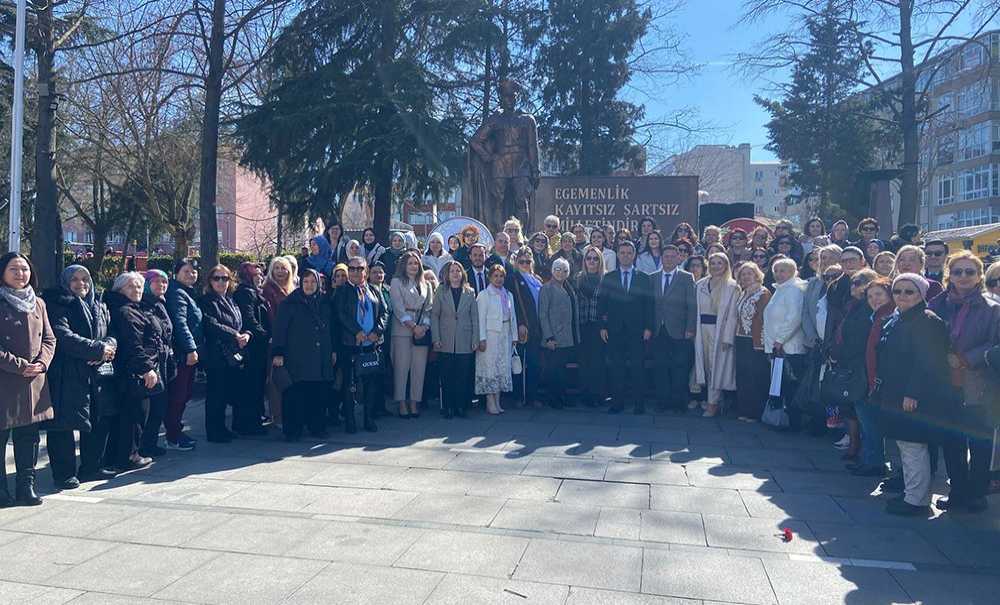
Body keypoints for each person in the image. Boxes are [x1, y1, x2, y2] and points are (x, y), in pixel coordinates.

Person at [874, 273, 953, 515]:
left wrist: (913, 393)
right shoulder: (900, 318)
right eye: (898, 291)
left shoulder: (927, 320)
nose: (902, 296)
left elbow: (927, 362)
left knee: (913, 447)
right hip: (895, 391)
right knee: (906, 446)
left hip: (912, 395)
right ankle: (912, 493)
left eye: (909, 291)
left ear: (921, 294)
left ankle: (916, 501)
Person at [929, 251, 1000, 513]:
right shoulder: (938, 304)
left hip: (979, 384)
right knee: (951, 440)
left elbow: (995, 344)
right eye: (958, 271)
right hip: (945, 382)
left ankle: (976, 493)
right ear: (949, 274)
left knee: (979, 442)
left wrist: (968, 358)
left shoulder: (993, 309)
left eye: (970, 272)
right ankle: (957, 491)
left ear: (980, 275)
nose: (963, 277)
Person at [43, 265, 118, 487]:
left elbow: (111, 333)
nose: (81, 283)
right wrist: (97, 349)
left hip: (97, 373)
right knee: (64, 425)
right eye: (74, 279)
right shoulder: (57, 303)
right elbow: (62, 336)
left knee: (98, 421)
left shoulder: (99, 305)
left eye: (85, 278)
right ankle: (64, 474)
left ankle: (91, 467)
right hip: (67, 374)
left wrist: (108, 346)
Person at [0, 253, 55, 506]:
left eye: (24, 269)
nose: (20, 274)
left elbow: (49, 339)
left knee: (28, 436)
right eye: (14, 269)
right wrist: (20, 366)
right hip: (6, 380)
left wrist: (42, 362)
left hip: (34, 381)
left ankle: (26, 486)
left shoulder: (38, 303)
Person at [271, 269, 336, 440]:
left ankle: (317, 427)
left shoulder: (325, 302)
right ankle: (293, 430)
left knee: (318, 393)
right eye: (306, 281)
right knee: (295, 394)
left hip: (321, 354)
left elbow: (332, 328)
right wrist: (278, 353)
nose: (309, 285)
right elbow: (279, 330)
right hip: (297, 356)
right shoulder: (290, 303)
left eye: (313, 282)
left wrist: (333, 350)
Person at [104, 273, 155, 473]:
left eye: (140, 287)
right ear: (120, 290)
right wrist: (146, 368)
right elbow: (133, 343)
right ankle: (128, 456)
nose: (137, 291)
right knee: (133, 415)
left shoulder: (132, 308)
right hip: (131, 372)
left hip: (130, 370)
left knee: (131, 415)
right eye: (131, 287)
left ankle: (122, 455)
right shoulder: (125, 311)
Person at [828, 268, 879, 462]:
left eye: (860, 283)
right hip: (848, 364)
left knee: (864, 413)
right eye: (853, 282)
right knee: (851, 409)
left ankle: (870, 457)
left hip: (861, 366)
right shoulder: (853, 306)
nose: (855, 286)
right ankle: (855, 447)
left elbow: (861, 339)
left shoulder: (869, 308)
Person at [333, 257, 389, 433]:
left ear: (366, 271)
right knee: (350, 385)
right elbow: (340, 314)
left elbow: (385, 312)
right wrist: (356, 331)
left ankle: (368, 418)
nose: (356, 272)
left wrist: (377, 331)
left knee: (370, 384)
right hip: (350, 345)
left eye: (360, 269)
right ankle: (350, 420)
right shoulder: (342, 291)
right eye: (352, 269)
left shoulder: (373, 289)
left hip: (370, 345)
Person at [199, 265, 252, 443]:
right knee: (216, 395)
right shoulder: (206, 300)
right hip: (217, 355)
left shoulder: (231, 299)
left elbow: (240, 322)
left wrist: (246, 334)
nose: (221, 282)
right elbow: (211, 324)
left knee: (226, 394)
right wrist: (235, 335)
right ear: (210, 281)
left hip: (232, 355)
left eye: (225, 278)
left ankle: (222, 428)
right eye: (217, 278)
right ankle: (214, 431)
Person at [600, 240, 653, 414]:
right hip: (615, 330)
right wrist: (603, 326)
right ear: (618, 255)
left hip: (637, 330)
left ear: (634, 255)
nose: (625, 256)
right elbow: (603, 304)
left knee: (638, 367)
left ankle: (639, 404)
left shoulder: (644, 278)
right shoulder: (609, 277)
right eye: (622, 253)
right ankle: (617, 403)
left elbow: (649, 304)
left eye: (629, 253)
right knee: (617, 367)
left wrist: (648, 327)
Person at [853, 279, 895, 477]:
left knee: (872, 424)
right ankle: (870, 460)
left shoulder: (888, 316)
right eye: (870, 296)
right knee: (867, 423)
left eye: (878, 294)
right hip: (867, 377)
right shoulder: (875, 315)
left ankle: (875, 463)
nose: (874, 299)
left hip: (877, 380)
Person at [134, 270, 176, 458]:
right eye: (156, 281)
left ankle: (149, 443)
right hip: (151, 362)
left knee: (160, 404)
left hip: (164, 360)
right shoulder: (144, 305)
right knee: (152, 405)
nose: (161, 285)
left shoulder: (161, 304)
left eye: (164, 281)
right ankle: (142, 446)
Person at [650, 243, 697, 413]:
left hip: (680, 329)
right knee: (660, 366)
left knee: (680, 366)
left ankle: (678, 402)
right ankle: (662, 401)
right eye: (665, 256)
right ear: (661, 259)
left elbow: (692, 305)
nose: (668, 259)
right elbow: (649, 305)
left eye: (672, 256)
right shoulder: (652, 277)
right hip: (658, 329)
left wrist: (690, 328)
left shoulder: (686, 277)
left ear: (678, 258)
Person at [762, 258, 808, 427]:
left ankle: (793, 423)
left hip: (789, 348)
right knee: (780, 387)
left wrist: (780, 340)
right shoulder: (782, 289)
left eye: (784, 271)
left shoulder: (794, 289)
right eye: (777, 271)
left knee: (790, 387)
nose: (779, 274)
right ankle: (782, 420)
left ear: (793, 272)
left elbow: (794, 317)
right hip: (778, 348)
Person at [431, 260, 479, 418]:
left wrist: (475, 339)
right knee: (446, 375)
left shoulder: (470, 292)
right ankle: (448, 406)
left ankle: (461, 406)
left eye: (458, 271)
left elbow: (474, 317)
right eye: (452, 271)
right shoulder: (440, 291)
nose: (455, 274)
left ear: (462, 273)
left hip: (465, 339)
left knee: (462, 376)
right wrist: (436, 338)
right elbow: (435, 315)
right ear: (447, 274)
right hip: (445, 339)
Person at [693, 253, 739, 417]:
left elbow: (733, 315)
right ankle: (712, 399)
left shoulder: (732, 286)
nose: (716, 266)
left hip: (720, 331)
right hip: (702, 330)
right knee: (705, 365)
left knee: (716, 367)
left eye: (720, 263)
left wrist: (728, 337)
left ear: (726, 265)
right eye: (713, 263)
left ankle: (712, 404)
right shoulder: (700, 284)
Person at [163, 259, 202, 452]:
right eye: (186, 271)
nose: (191, 275)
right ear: (176, 273)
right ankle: (173, 436)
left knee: (184, 394)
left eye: (194, 271)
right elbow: (180, 323)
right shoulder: (177, 293)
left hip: (187, 352)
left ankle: (175, 431)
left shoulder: (187, 292)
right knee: (178, 395)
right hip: (182, 354)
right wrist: (190, 349)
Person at [390, 251, 433, 418]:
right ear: (403, 266)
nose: (414, 266)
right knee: (401, 368)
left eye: (416, 263)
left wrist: (424, 327)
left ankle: (414, 402)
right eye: (410, 263)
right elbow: (397, 308)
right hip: (402, 330)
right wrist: (412, 326)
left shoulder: (426, 284)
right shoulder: (396, 282)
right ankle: (401, 402)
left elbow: (429, 308)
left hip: (421, 331)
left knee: (419, 368)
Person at [232, 262, 271, 434]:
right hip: (254, 347)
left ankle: (253, 420)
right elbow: (249, 319)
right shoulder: (246, 293)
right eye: (257, 275)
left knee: (254, 385)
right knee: (252, 386)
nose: (261, 277)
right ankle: (250, 424)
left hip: (256, 345)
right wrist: (266, 335)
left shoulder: (252, 292)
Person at [475, 264, 519, 414]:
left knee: (502, 367)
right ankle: (490, 401)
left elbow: (512, 317)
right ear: (490, 277)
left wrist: (514, 336)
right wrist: (481, 338)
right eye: (496, 276)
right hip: (490, 335)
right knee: (490, 368)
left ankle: (498, 402)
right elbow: (480, 319)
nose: (499, 279)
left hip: (505, 334)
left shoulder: (508, 294)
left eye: (501, 276)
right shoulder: (484, 295)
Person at [538, 258, 581, 409]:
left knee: (562, 370)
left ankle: (562, 396)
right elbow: (543, 314)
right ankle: (553, 398)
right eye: (557, 269)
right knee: (553, 370)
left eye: (564, 270)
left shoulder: (568, 287)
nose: (561, 273)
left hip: (567, 337)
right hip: (554, 338)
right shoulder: (547, 288)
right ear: (552, 270)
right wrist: (549, 337)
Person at [734, 262, 772, 421]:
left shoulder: (763, 293)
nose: (746, 277)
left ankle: (755, 412)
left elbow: (763, 319)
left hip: (756, 342)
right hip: (741, 339)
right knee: (743, 375)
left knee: (755, 377)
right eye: (743, 274)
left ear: (757, 275)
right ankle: (744, 410)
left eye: (749, 273)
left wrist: (760, 344)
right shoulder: (744, 293)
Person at [261, 256, 295, 428]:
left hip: (292, 342)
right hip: (275, 342)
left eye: (284, 268)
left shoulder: (290, 289)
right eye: (277, 268)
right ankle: (278, 416)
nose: (281, 271)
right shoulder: (267, 290)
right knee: (275, 381)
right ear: (271, 271)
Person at [508, 248, 544, 406]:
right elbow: (513, 303)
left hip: (537, 327)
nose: (524, 264)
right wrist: (520, 324)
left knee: (534, 363)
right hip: (523, 327)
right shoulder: (513, 279)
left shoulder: (536, 279)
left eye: (527, 261)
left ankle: (532, 396)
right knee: (519, 364)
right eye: (521, 261)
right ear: (516, 262)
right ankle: (518, 397)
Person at [575, 246, 607, 407]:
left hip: (598, 326)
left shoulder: (606, 279)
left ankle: (598, 394)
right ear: (584, 261)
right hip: (582, 325)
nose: (592, 261)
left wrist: (605, 324)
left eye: (595, 258)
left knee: (597, 361)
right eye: (589, 258)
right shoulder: (578, 278)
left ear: (600, 261)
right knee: (584, 360)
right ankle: (585, 393)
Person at [802, 245, 843, 351]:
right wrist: (813, 338)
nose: (827, 261)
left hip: (838, 343)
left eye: (831, 257)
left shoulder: (847, 283)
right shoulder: (813, 283)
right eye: (824, 258)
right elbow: (805, 312)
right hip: (814, 344)